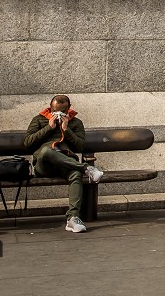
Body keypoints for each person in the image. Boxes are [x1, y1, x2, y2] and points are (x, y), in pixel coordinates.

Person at [22, 94, 105, 233]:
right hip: (44, 165)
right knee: (47, 151)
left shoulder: (76, 123)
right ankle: (86, 168)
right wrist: (48, 128)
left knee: (75, 174)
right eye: (55, 111)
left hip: (66, 163)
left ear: (68, 109)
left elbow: (80, 147)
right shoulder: (39, 119)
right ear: (50, 108)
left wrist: (67, 130)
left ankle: (73, 218)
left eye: (62, 112)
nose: (58, 114)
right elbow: (27, 142)